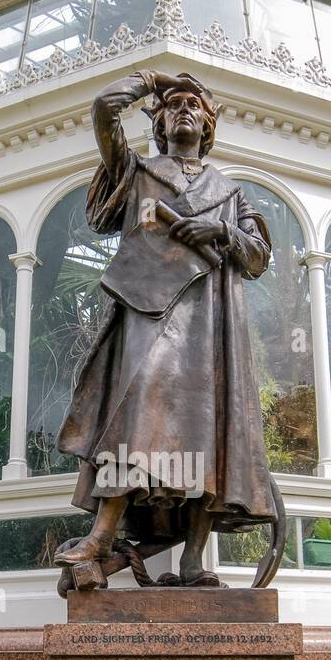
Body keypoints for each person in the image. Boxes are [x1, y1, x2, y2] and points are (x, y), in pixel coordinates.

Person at [54, 68, 277, 586]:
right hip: (147, 317)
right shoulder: (138, 173)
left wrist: (218, 229)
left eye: (194, 105)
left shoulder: (230, 192)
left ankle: (193, 561)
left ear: (208, 124)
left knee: (209, 426)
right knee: (133, 417)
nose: (183, 110)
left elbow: (259, 256)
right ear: (159, 122)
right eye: (173, 104)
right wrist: (151, 79)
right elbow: (105, 109)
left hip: (209, 329)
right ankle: (102, 537)